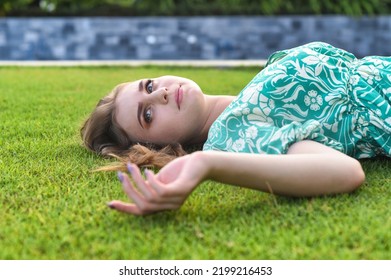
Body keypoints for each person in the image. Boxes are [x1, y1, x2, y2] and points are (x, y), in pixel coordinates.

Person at [81, 41, 391, 216]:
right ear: (158, 145)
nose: (158, 94)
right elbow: (345, 171)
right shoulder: (234, 132)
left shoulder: (251, 96)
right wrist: (207, 163)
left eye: (148, 85)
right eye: (147, 114)